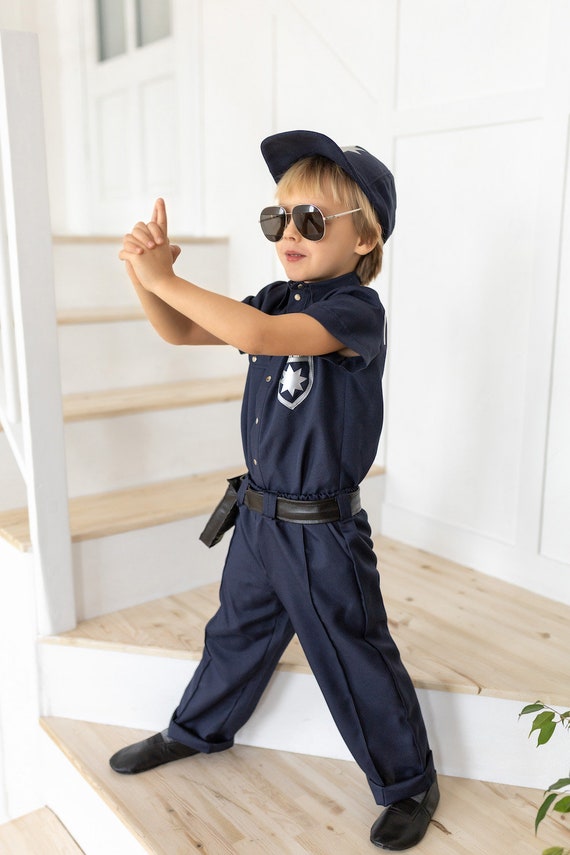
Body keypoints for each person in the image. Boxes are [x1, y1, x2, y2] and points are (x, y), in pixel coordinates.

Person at [110, 129, 439, 850]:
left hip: (321, 529)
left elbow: (261, 336)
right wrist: (144, 272)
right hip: (258, 518)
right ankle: (198, 729)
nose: (290, 232)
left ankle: (409, 779)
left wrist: (169, 277)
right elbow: (179, 332)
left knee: (352, 651)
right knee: (236, 632)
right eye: (279, 218)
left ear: (364, 240)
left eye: (313, 221)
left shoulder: (354, 311)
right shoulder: (275, 296)